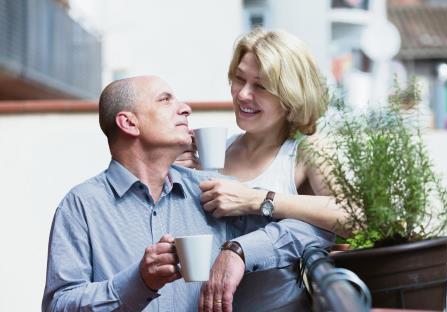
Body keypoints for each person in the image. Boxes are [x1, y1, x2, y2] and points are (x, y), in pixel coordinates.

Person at [42, 75, 334, 312]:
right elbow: (59, 305)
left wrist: (239, 252)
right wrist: (138, 281)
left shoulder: (210, 190)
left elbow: (312, 231)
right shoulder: (81, 206)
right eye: (165, 100)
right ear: (129, 123)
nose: (185, 108)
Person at [178, 28, 348, 311]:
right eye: (239, 78)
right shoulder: (219, 151)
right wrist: (182, 176)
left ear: (290, 94)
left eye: (261, 85)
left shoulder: (306, 150)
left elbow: (353, 217)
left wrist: (257, 200)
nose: (243, 94)